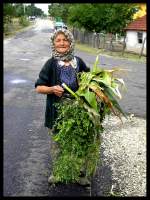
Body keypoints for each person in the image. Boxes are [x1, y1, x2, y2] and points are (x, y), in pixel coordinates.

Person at [35, 28, 90, 186]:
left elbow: (89, 79)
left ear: (71, 42)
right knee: (58, 143)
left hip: (78, 110)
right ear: (53, 43)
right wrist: (52, 89)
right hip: (57, 111)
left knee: (79, 140)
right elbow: (38, 87)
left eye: (65, 40)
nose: (62, 43)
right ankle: (59, 172)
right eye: (58, 40)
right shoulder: (51, 63)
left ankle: (80, 174)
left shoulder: (78, 62)